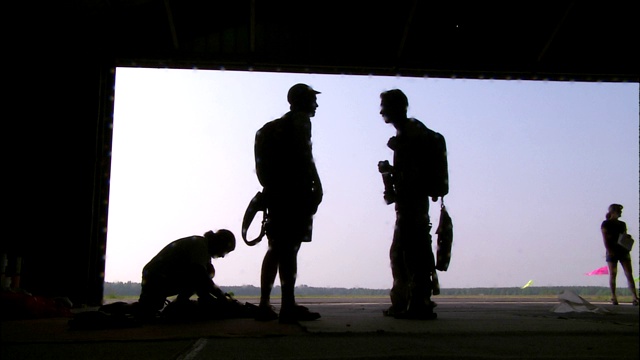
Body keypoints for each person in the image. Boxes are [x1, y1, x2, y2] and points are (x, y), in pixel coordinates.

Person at [253, 83, 323, 323]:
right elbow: (305, 156)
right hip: (295, 196)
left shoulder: (269, 129)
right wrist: (317, 187)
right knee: (290, 250)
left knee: (275, 249)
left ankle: (264, 305)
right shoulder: (301, 121)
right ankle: (287, 306)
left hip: (276, 195)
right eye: (313, 99)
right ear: (302, 101)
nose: (316, 104)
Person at [377, 89, 445, 320]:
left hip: (412, 207)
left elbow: (412, 176)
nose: (381, 111)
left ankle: (415, 304)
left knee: (408, 256)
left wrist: (393, 171)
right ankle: (412, 302)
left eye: (385, 105)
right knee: (409, 254)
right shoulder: (409, 134)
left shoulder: (410, 136)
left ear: (399, 107)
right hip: (410, 206)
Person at [135, 229, 237, 319]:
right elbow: (200, 277)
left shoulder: (203, 249)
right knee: (145, 311)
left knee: (150, 308)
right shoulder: (200, 245)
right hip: (157, 277)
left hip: (159, 276)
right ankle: (178, 303)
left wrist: (209, 298)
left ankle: (177, 303)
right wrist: (222, 298)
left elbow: (201, 283)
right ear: (220, 243)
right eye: (225, 251)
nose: (223, 256)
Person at [600, 204, 639, 306]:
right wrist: (609, 250)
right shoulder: (606, 224)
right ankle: (614, 297)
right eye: (619, 211)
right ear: (614, 212)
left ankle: (635, 297)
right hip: (612, 251)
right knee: (613, 274)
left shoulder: (622, 224)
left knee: (629, 273)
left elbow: (624, 235)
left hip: (623, 250)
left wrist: (627, 238)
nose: (621, 213)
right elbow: (605, 239)